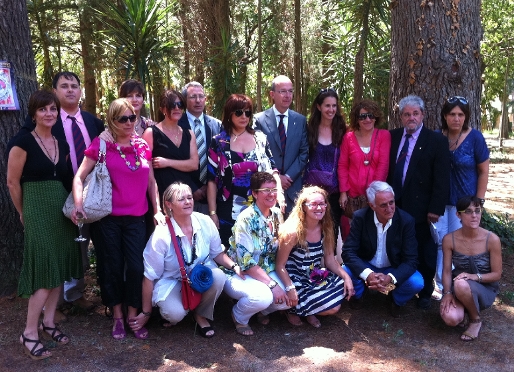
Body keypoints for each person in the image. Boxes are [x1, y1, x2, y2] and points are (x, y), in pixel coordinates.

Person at [7, 72, 104, 317]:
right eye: (64, 86)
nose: (70, 90)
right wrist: (22, 211)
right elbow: (14, 173)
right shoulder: (43, 123)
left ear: (81, 91)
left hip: (91, 195)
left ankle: (77, 293)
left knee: (76, 249)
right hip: (53, 197)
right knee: (59, 249)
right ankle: (57, 303)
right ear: (55, 91)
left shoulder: (93, 122)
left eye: (74, 86)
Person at [72, 98, 164, 340]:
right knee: (111, 266)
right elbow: (79, 176)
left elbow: (151, 182)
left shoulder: (142, 146)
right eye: (122, 118)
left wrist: (157, 210)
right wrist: (79, 205)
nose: (129, 122)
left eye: (132, 117)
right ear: (112, 121)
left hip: (137, 218)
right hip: (107, 219)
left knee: (135, 267)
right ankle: (117, 316)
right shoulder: (101, 145)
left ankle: (133, 314)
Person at [7, 90, 82, 360]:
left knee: (59, 264)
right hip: (36, 208)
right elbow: (12, 182)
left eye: (53, 109)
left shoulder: (60, 142)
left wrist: (73, 208)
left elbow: (63, 180)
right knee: (44, 268)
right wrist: (22, 211)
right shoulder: (22, 142)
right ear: (33, 113)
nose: (49, 114)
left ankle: (49, 322)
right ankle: (29, 331)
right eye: (43, 110)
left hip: (59, 209)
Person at [131, 182, 243, 338]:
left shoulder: (205, 221)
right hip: (172, 281)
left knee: (218, 276)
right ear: (169, 204)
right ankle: (178, 310)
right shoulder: (161, 234)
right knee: (175, 314)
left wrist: (234, 266)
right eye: (181, 199)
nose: (188, 202)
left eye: (189, 197)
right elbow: (149, 277)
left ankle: (200, 314)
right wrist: (146, 312)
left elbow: (217, 253)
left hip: (199, 277)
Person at [387, 94, 450, 310]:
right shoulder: (392, 137)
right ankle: (398, 286)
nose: (411, 118)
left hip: (423, 209)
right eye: (406, 114)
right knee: (397, 247)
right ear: (401, 116)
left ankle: (425, 292)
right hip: (394, 205)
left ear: (422, 115)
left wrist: (435, 208)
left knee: (425, 251)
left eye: (415, 113)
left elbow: (442, 178)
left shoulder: (436, 141)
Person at [432, 96, 490, 300]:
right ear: (445, 116)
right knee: (440, 242)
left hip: (465, 203)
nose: (456, 118)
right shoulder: (437, 137)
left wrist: (478, 202)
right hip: (440, 201)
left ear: (465, 117)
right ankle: (440, 284)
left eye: (460, 114)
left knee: (460, 243)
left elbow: (483, 171)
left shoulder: (475, 138)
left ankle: (460, 283)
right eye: (452, 114)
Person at [207, 94, 283, 246]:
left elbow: (273, 170)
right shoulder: (219, 142)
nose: (244, 116)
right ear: (230, 114)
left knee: (260, 250)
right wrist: (213, 213)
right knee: (232, 254)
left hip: (260, 206)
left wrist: (279, 194)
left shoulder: (260, 138)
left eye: (248, 112)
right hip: (228, 210)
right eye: (239, 112)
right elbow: (211, 180)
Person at [342, 181, 424, 318]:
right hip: (367, 263)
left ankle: (396, 299)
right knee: (345, 270)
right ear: (372, 206)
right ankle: (359, 295)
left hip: (393, 266)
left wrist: (390, 278)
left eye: (391, 202)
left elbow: (411, 260)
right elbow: (348, 251)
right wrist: (367, 274)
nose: (390, 208)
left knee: (417, 282)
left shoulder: (406, 221)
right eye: (383, 205)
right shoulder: (360, 217)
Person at [276, 186, 354, 328]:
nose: (319, 208)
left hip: (314, 275)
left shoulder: (326, 227)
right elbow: (280, 265)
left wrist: (346, 277)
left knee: (343, 284)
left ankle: (306, 309)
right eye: (313, 204)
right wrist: (290, 288)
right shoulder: (293, 232)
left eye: (322, 204)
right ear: (303, 207)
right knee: (333, 308)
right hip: (295, 278)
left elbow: (330, 259)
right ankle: (295, 310)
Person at [223, 172, 290, 336]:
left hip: (266, 269)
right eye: (266, 190)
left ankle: (260, 311)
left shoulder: (276, 214)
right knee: (263, 297)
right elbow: (246, 263)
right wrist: (273, 285)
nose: (272, 194)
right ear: (254, 193)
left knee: (290, 296)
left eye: (274, 189)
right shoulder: (245, 219)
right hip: (240, 273)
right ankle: (239, 316)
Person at [439, 196, 501, 341]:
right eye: (468, 211)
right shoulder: (449, 239)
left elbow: (497, 274)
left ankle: (475, 319)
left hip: (484, 288)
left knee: (461, 284)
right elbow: (447, 270)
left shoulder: (492, 239)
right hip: (459, 287)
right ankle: (463, 313)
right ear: (458, 215)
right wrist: (447, 293)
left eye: (477, 211)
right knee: (451, 319)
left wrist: (475, 277)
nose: (474, 215)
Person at [254, 75, 308, 214]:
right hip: (267, 189)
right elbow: (260, 154)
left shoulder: (300, 120)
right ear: (272, 94)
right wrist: (276, 179)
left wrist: (288, 177)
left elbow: (304, 153)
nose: (287, 95)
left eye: (290, 91)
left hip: (293, 188)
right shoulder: (259, 119)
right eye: (282, 91)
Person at [303, 88, 347, 241]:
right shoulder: (309, 129)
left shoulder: (342, 130)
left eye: (334, 106)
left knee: (331, 234)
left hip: (334, 191)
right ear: (319, 107)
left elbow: (345, 163)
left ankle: (329, 263)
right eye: (327, 105)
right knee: (311, 231)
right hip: (311, 191)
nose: (331, 109)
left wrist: (343, 192)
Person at [142, 89, 199, 202]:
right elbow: (148, 175)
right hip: (163, 196)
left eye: (180, 104)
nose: (177, 108)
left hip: (185, 199)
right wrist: (156, 207)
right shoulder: (151, 133)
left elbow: (194, 164)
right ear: (162, 109)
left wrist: (167, 162)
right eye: (172, 105)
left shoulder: (189, 134)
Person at [338, 99, 391, 219]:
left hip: (375, 198)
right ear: (357, 119)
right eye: (363, 116)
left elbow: (383, 166)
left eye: (370, 115)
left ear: (376, 117)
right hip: (352, 198)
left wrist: (374, 194)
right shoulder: (348, 137)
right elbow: (342, 166)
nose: (367, 120)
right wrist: (343, 193)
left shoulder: (384, 136)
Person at [178, 81, 222, 214]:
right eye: (192, 97)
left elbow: (222, 161)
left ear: (205, 99)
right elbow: (174, 160)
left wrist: (209, 186)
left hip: (214, 195)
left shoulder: (217, 125)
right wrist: (192, 188)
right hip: (184, 195)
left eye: (201, 96)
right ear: (185, 100)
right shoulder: (177, 125)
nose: (198, 100)